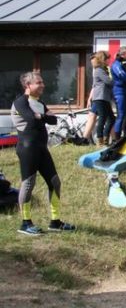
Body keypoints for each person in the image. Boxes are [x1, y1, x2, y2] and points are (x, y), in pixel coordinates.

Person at [11, 72, 76, 235]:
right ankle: (25, 223)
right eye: (39, 83)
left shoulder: (39, 103)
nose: (43, 85)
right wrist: (42, 116)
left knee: (55, 182)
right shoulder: (20, 102)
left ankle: (55, 222)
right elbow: (30, 119)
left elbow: (54, 120)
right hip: (27, 148)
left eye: (42, 82)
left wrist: (41, 116)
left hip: (41, 148)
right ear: (28, 85)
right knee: (28, 184)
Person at [90, 51, 115, 146]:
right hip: (100, 97)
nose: (109, 60)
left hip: (104, 97)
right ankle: (100, 140)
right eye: (107, 59)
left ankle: (105, 138)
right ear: (102, 60)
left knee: (111, 118)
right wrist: (114, 78)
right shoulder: (99, 70)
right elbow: (109, 81)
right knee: (103, 117)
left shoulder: (102, 70)